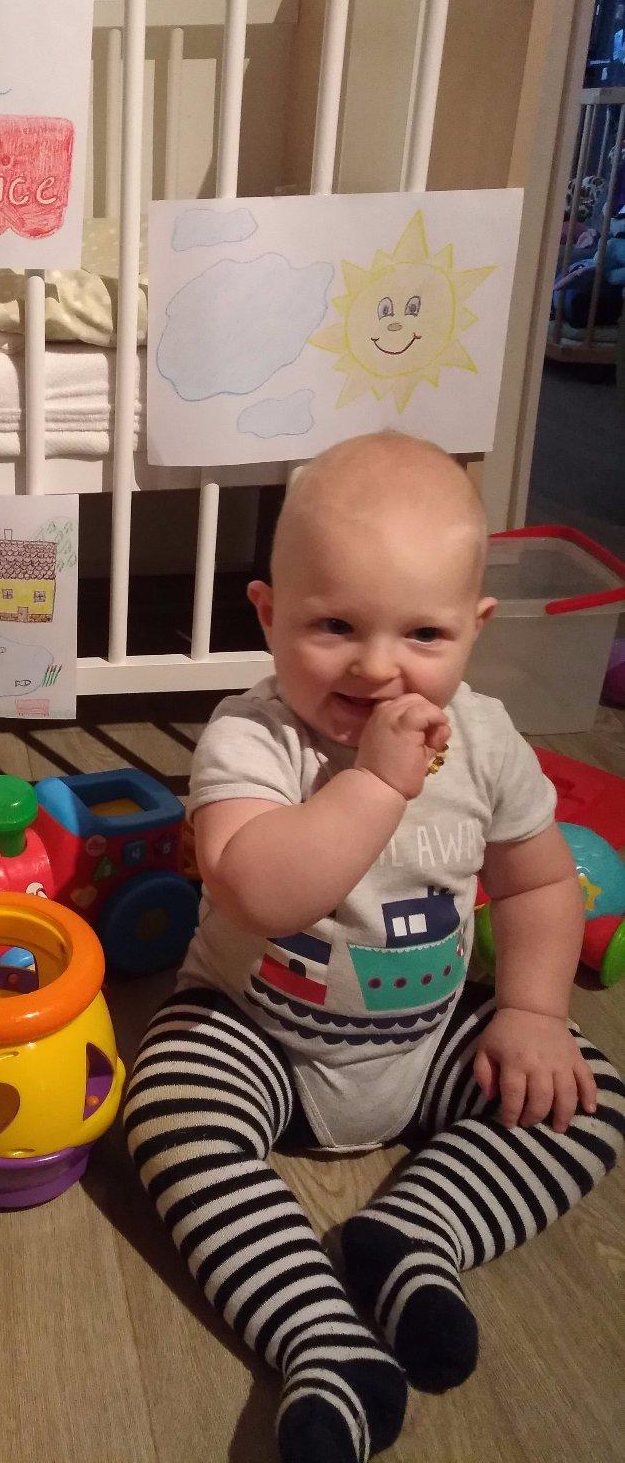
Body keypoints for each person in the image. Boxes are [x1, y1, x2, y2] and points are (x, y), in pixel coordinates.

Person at [125, 433, 623, 1463]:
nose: (377, 664)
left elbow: (536, 883)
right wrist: (377, 783)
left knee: (589, 1095)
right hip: (255, 1031)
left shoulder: (486, 740)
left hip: (426, 1038)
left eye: (423, 633)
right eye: (335, 625)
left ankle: (413, 1235)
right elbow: (259, 889)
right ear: (267, 614)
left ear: (475, 629)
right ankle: (319, 1336)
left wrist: (532, 1012)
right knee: (165, 1107)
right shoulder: (251, 736)